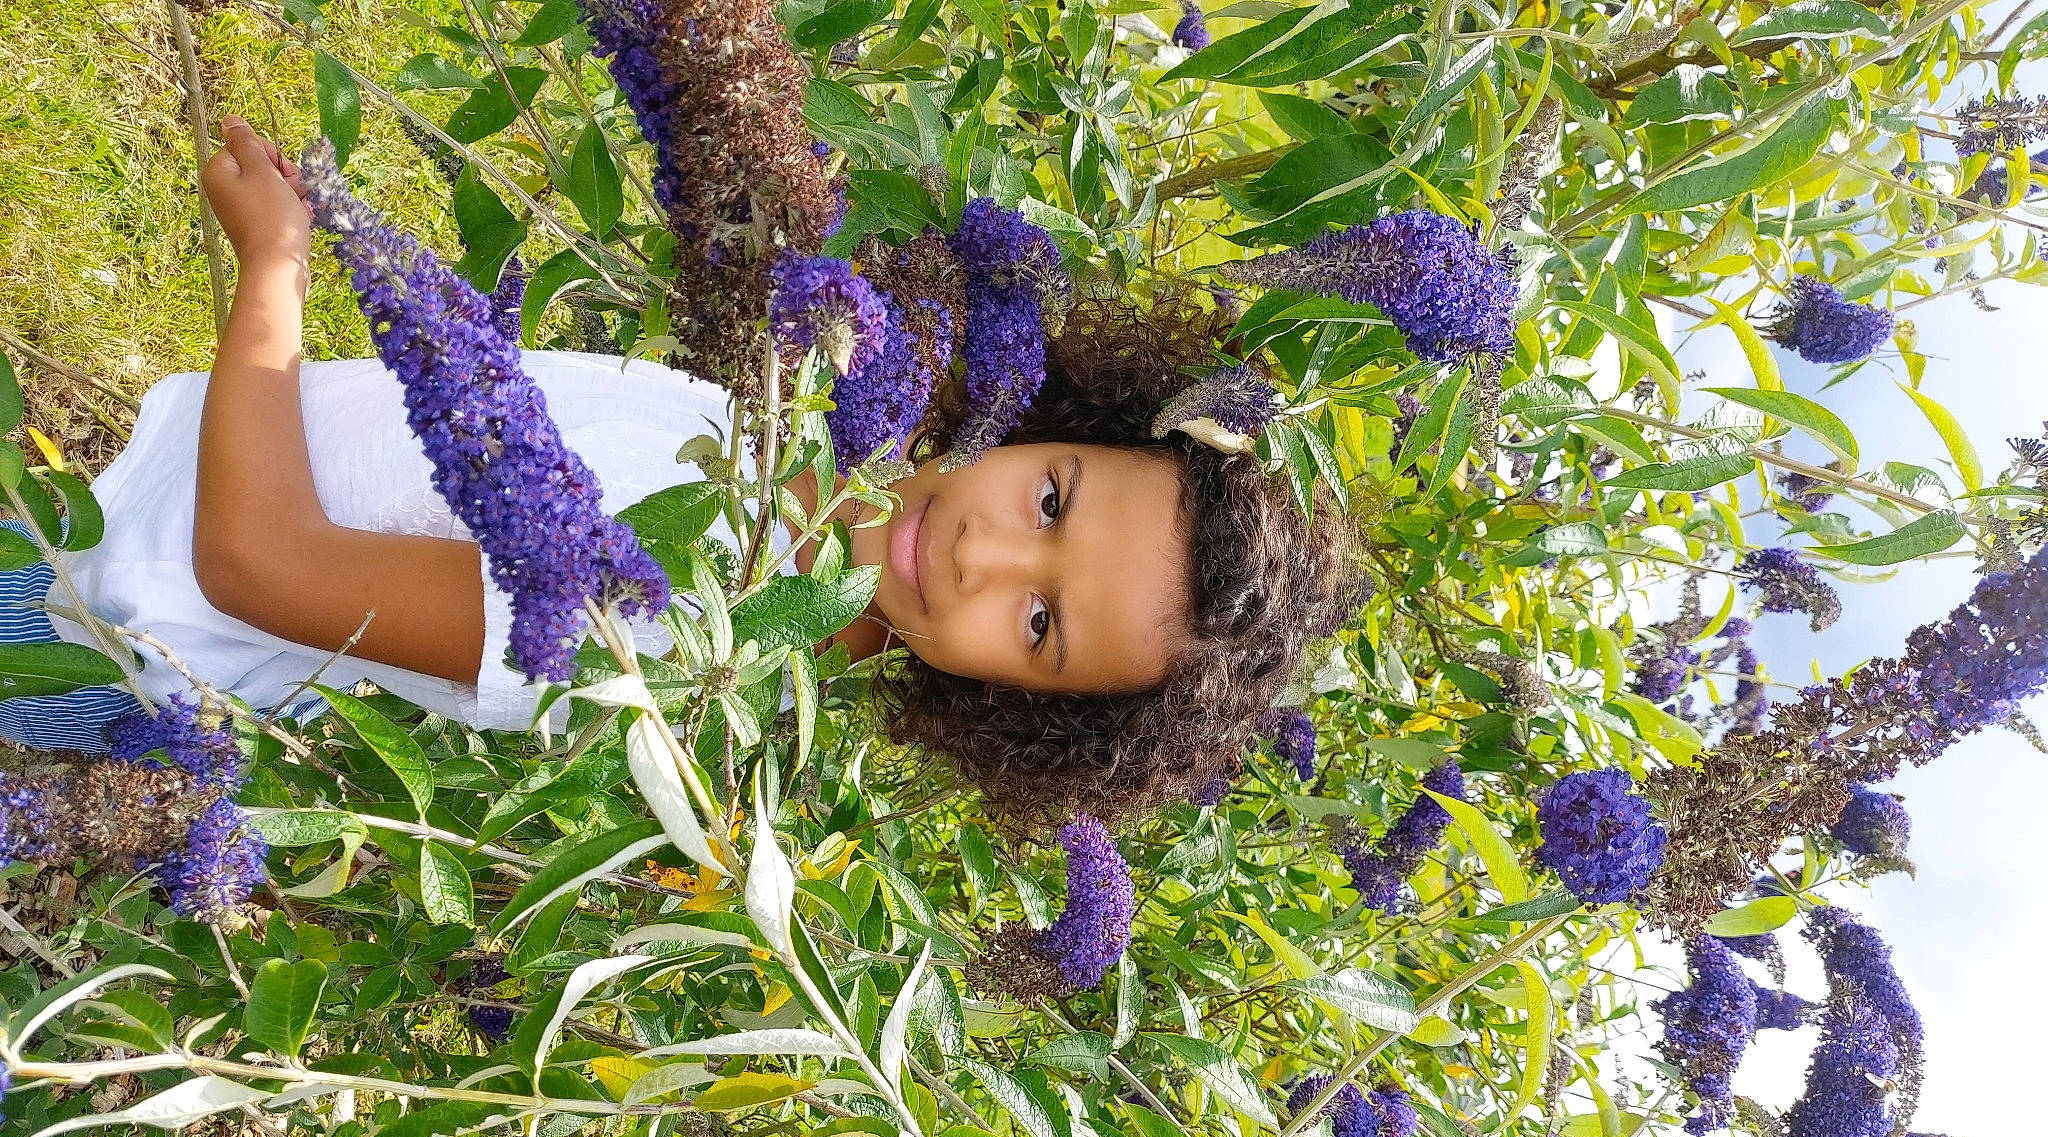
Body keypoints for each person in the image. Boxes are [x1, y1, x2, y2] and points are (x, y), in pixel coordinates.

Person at [2, 119, 1365, 825]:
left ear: (1021, 705)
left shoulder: (658, 629)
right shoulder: (779, 452)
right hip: (124, 520)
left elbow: (262, 568)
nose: (981, 555)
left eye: (1041, 623)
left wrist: (277, 273)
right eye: (1053, 500)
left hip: (93, 615)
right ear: (1049, 421)